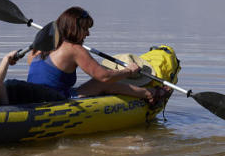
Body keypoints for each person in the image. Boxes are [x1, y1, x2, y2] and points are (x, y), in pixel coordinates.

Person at [27, 6, 159, 103]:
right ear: (74, 28)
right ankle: (149, 94)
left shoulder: (39, 47)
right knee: (104, 82)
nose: (88, 34)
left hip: (32, 98)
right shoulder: (74, 49)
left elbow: (41, 73)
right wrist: (129, 71)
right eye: (85, 29)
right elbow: (104, 77)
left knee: (98, 81)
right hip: (56, 100)